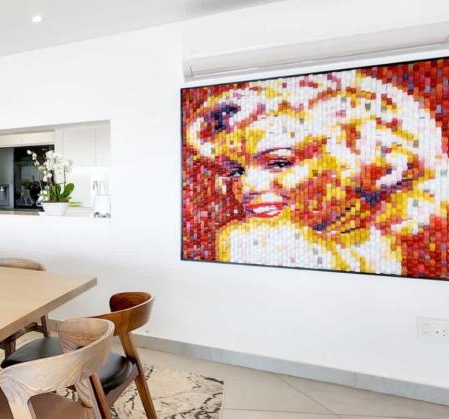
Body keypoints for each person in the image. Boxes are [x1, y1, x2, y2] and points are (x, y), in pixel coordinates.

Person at [185, 69, 449, 274]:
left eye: (279, 163)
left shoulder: (371, 249)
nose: (248, 185)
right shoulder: (250, 241)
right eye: (236, 170)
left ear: (363, 163)